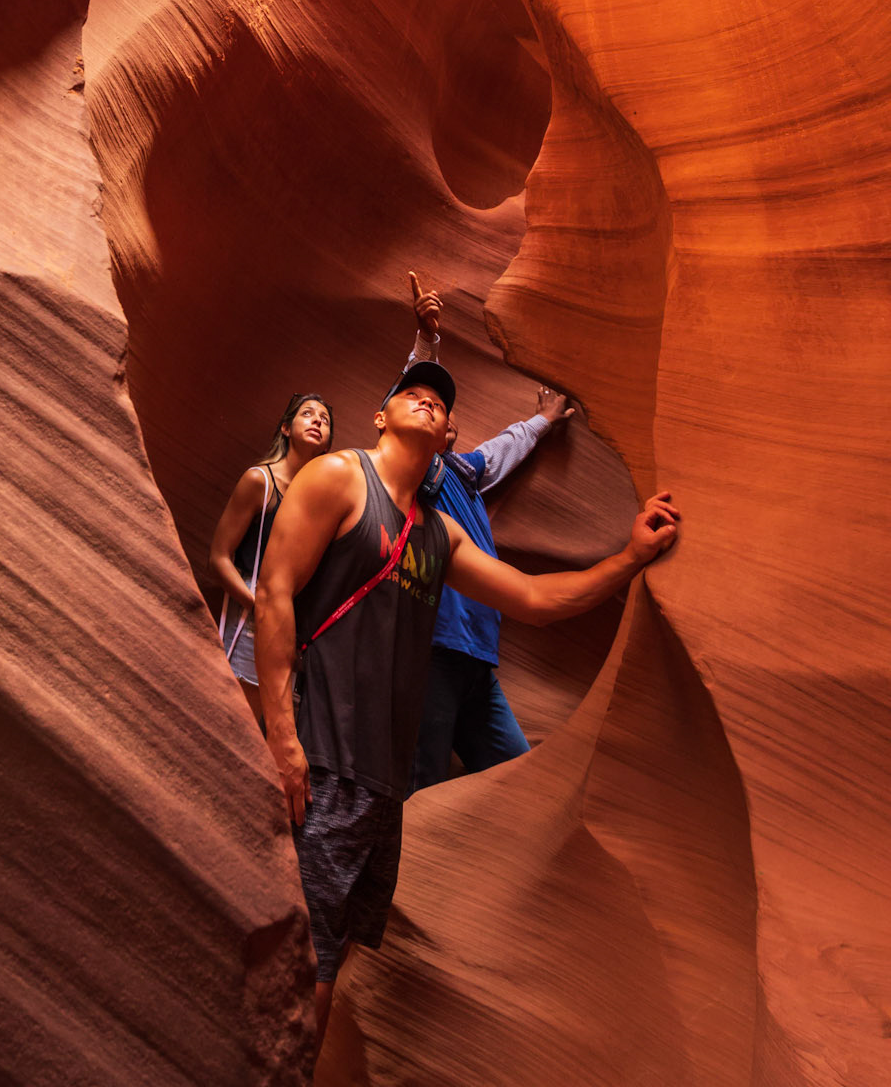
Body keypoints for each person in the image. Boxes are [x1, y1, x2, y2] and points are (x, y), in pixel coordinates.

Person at [254, 300, 680, 1055]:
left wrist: (630, 557)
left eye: (442, 399)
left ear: (450, 434)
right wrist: (282, 741)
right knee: (303, 959)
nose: (429, 398)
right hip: (323, 763)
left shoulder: (442, 527)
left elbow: (536, 599)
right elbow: (274, 593)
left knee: (335, 959)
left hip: (380, 784)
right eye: (413, 390)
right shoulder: (337, 480)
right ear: (381, 414)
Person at [411, 363, 574, 790]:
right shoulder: (413, 478)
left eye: (444, 410)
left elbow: (504, 448)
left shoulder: (462, 475)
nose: (434, 411)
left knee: (518, 777)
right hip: (433, 651)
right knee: (422, 781)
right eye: (427, 406)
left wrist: (544, 420)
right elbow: (404, 411)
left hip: (477, 658)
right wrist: (426, 343)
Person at [208, 393, 332, 727]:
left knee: (271, 734)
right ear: (286, 428)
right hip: (251, 620)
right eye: (307, 414)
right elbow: (219, 557)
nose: (317, 420)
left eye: (324, 419)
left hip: (292, 630)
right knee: (235, 726)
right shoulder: (259, 482)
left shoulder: (324, 501)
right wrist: (259, 608)